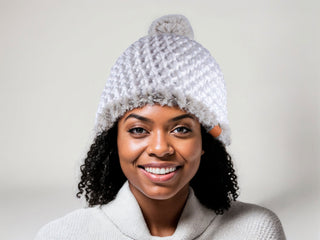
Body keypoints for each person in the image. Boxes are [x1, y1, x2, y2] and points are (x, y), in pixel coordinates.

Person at [35, 15, 286, 239]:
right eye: (138, 130)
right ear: (114, 140)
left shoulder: (256, 231)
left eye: (181, 130)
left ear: (205, 142)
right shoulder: (61, 235)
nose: (159, 148)